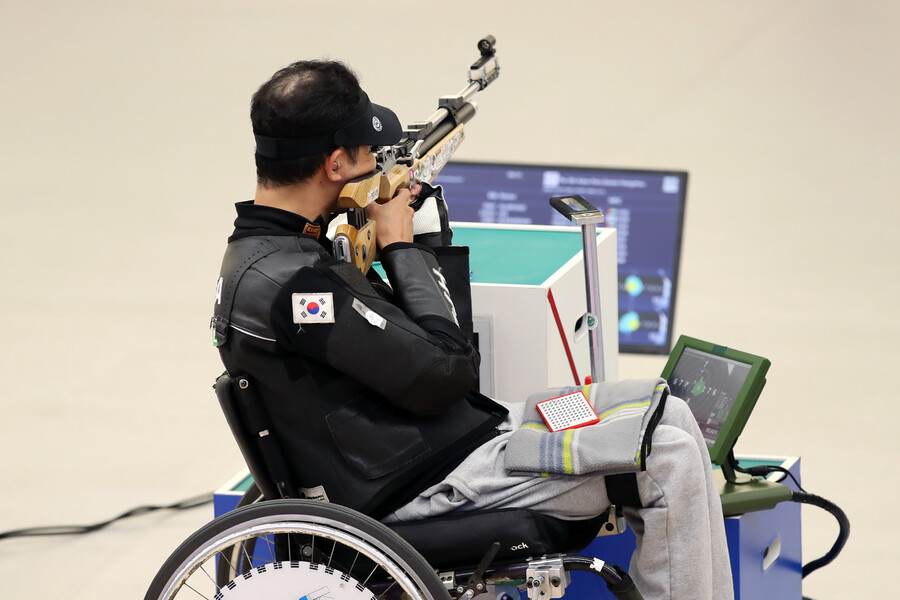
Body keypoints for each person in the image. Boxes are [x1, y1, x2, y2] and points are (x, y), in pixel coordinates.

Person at [211, 59, 734, 600]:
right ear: (337, 162)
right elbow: (447, 371)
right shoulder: (298, 285)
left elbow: (441, 359)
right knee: (666, 458)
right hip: (428, 485)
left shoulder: (278, 254)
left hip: (449, 448)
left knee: (666, 407)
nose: (375, 168)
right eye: (369, 156)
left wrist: (417, 240)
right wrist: (403, 247)